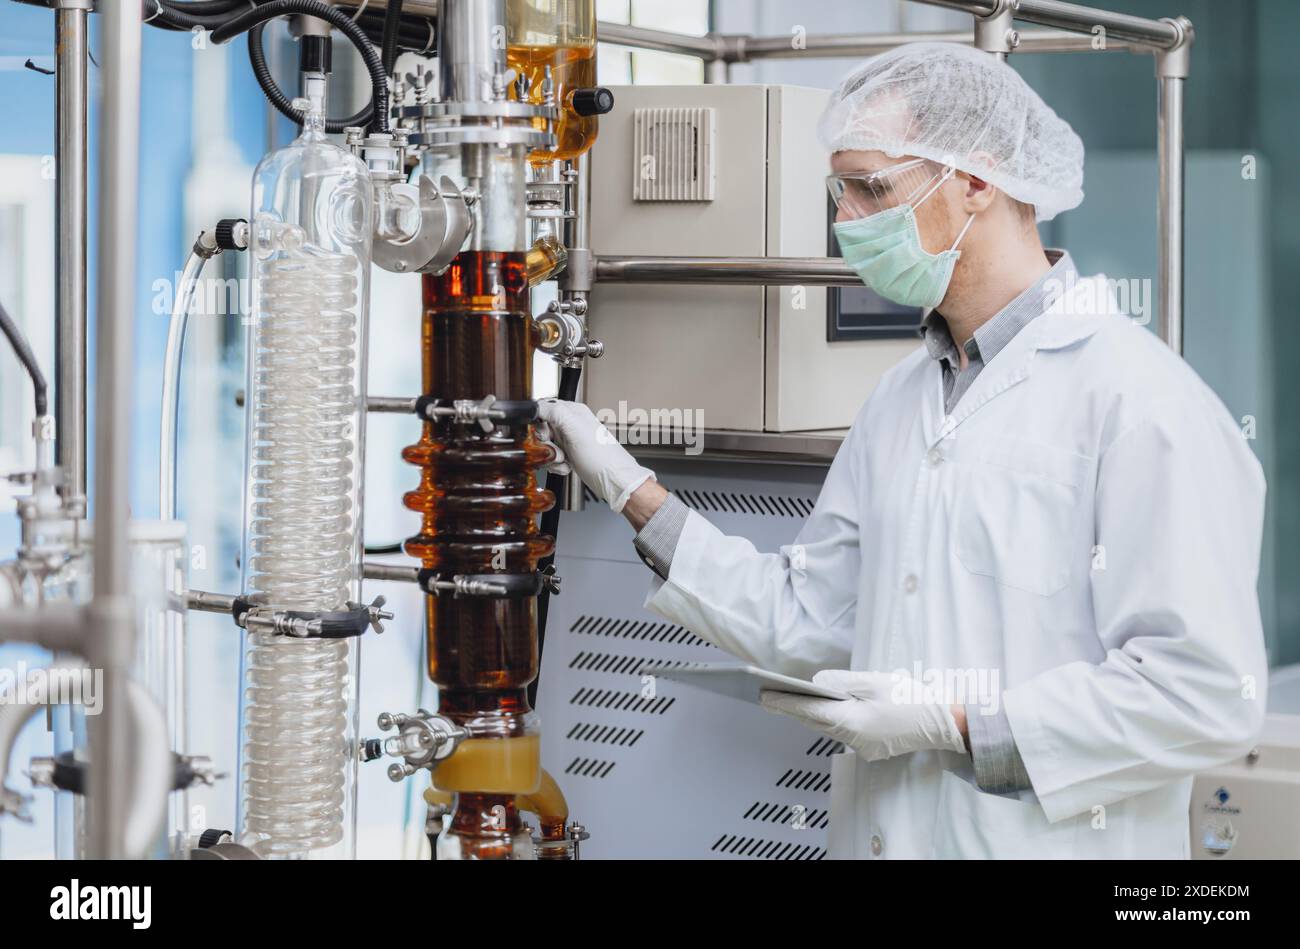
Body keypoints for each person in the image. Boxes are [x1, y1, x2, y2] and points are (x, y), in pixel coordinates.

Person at [537, 42, 1267, 859]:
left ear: (978, 181)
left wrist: (953, 724)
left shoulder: (1141, 402)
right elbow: (817, 618)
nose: (848, 221)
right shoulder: (900, 399)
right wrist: (629, 487)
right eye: (839, 191)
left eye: (872, 188)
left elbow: (1203, 694)